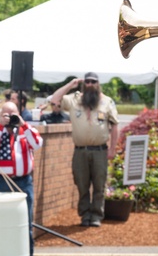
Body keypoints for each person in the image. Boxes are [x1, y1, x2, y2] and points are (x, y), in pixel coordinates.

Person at [48, 72, 120, 227]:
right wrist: (70, 85)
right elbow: (54, 99)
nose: (90, 84)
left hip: (100, 150)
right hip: (80, 151)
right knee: (81, 184)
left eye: (93, 81)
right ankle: (85, 215)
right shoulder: (74, 100)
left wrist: (112, 149)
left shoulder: (107, 102)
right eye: (87, 81)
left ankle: (96, 216)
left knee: (99, 184)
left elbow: (114, 125)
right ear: (83, 83)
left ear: (98, 83)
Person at [0, 101, 43, 256]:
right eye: (6, 114)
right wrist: (2, 127)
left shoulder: (26, 130)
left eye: (13, 114)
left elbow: (38, 144)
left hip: (24, 182)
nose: (10, 118)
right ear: (1, 115)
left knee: (25, 224)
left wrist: (23, 125)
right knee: (2, 225)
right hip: (1, 182)